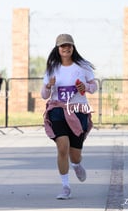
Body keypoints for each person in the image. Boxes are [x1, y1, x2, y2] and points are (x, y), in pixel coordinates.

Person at [41, 33, 97, 200]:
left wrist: (84, 86)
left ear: (73, 48)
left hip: (78, 111)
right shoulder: (52, 67)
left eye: (69, 45)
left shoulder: (83, 66)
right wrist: (49, 86)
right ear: (57, 49)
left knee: (75, 153)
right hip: (57, 110)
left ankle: (77, 164)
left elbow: (94, 87)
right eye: (62, 46)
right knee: (62, 147)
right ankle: (65, 186)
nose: (66, 48)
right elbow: (44, 94)